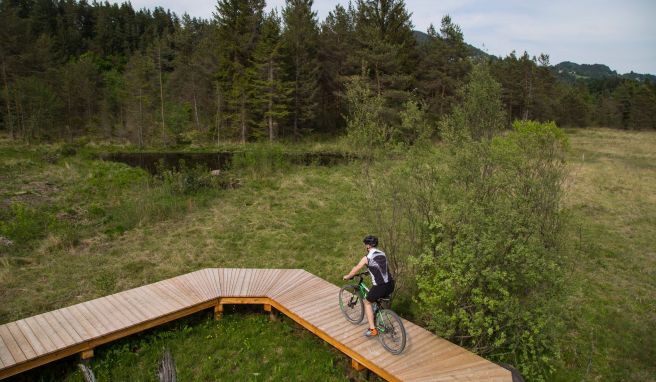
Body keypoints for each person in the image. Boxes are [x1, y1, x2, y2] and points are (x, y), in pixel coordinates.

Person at [343, 235, 395, 337]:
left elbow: (356, 268)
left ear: (368, 246)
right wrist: (369, 270)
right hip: (390, 284)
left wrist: (348, 276)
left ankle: (372, 329)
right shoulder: (383, 254)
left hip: (380, 287)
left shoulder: (367, 258)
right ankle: (376, 315)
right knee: (374, 299)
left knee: (367, 302)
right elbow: (380, 267)